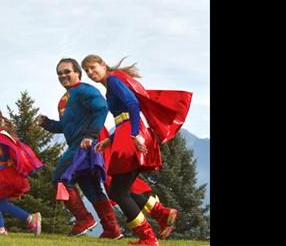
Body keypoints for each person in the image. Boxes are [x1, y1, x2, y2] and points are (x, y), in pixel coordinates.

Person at [81, 54, 192, 246]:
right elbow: (124, 115)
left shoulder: (114, 80)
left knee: (118, 191)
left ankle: (148, 238)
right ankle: (162, 214)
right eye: (87, 71)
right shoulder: (112, 83)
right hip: (126, 134)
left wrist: (134, 134)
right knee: (124, 188)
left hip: (130, 136)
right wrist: (109, 140)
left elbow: (133, 104)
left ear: (103, 65)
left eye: (93, 67)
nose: (90, 73)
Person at [37, 58, 123, 239]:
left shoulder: (84, 90)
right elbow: (65, 126)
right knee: (91, 187)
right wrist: (47, 123)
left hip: (82, 146)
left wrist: (90, 136)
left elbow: (102, 108)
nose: (63, 76)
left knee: (60, 178)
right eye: (59, 73)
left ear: (77, 72)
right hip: (83, 145)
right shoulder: (64, 100)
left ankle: (84, 219)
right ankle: (112, 229)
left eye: (67, 71)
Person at [0, 104, 44, 236]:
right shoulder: (2, 134)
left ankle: (27, 219)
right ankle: (2, 228)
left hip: (0, 174)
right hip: (8, 172)